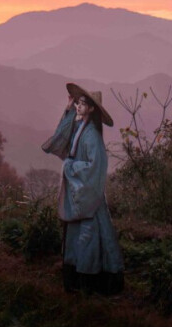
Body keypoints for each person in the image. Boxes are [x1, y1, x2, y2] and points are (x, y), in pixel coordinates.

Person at [42, 82, 124, 295]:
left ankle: (91, 283)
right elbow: (62, 136)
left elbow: (96, 167)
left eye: (82, 103)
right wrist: (68, 109)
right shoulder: (79, 128)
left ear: (92, 109)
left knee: (89, 238)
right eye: (78, 102)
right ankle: (78, 282)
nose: (79, 106)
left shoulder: (92, 137)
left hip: (89, 196)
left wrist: (70, 166)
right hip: (81, 195)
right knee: (78, 239)